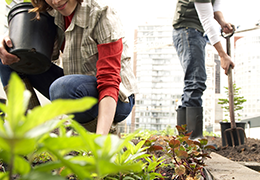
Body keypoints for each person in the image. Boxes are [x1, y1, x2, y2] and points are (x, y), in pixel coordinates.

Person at [0, 0, 137, 135]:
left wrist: (100, 141)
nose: (56, 1)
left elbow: (109, 80)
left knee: (62, 88)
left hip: (117, 98)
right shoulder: (51, 12)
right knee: (8, 58)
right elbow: (27, 46)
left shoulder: (102, 13)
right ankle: (32, 134)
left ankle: (102, 130)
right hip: (75, 88)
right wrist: (9, 42)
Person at [172, 0, 235, 139]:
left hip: (195, 31)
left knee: (193, 82)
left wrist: (222, 22)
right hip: (187, 30)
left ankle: (185, 141)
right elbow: (207, 19)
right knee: (195, 81)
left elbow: (215, 7)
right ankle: (193, 140)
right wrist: (222, 55)